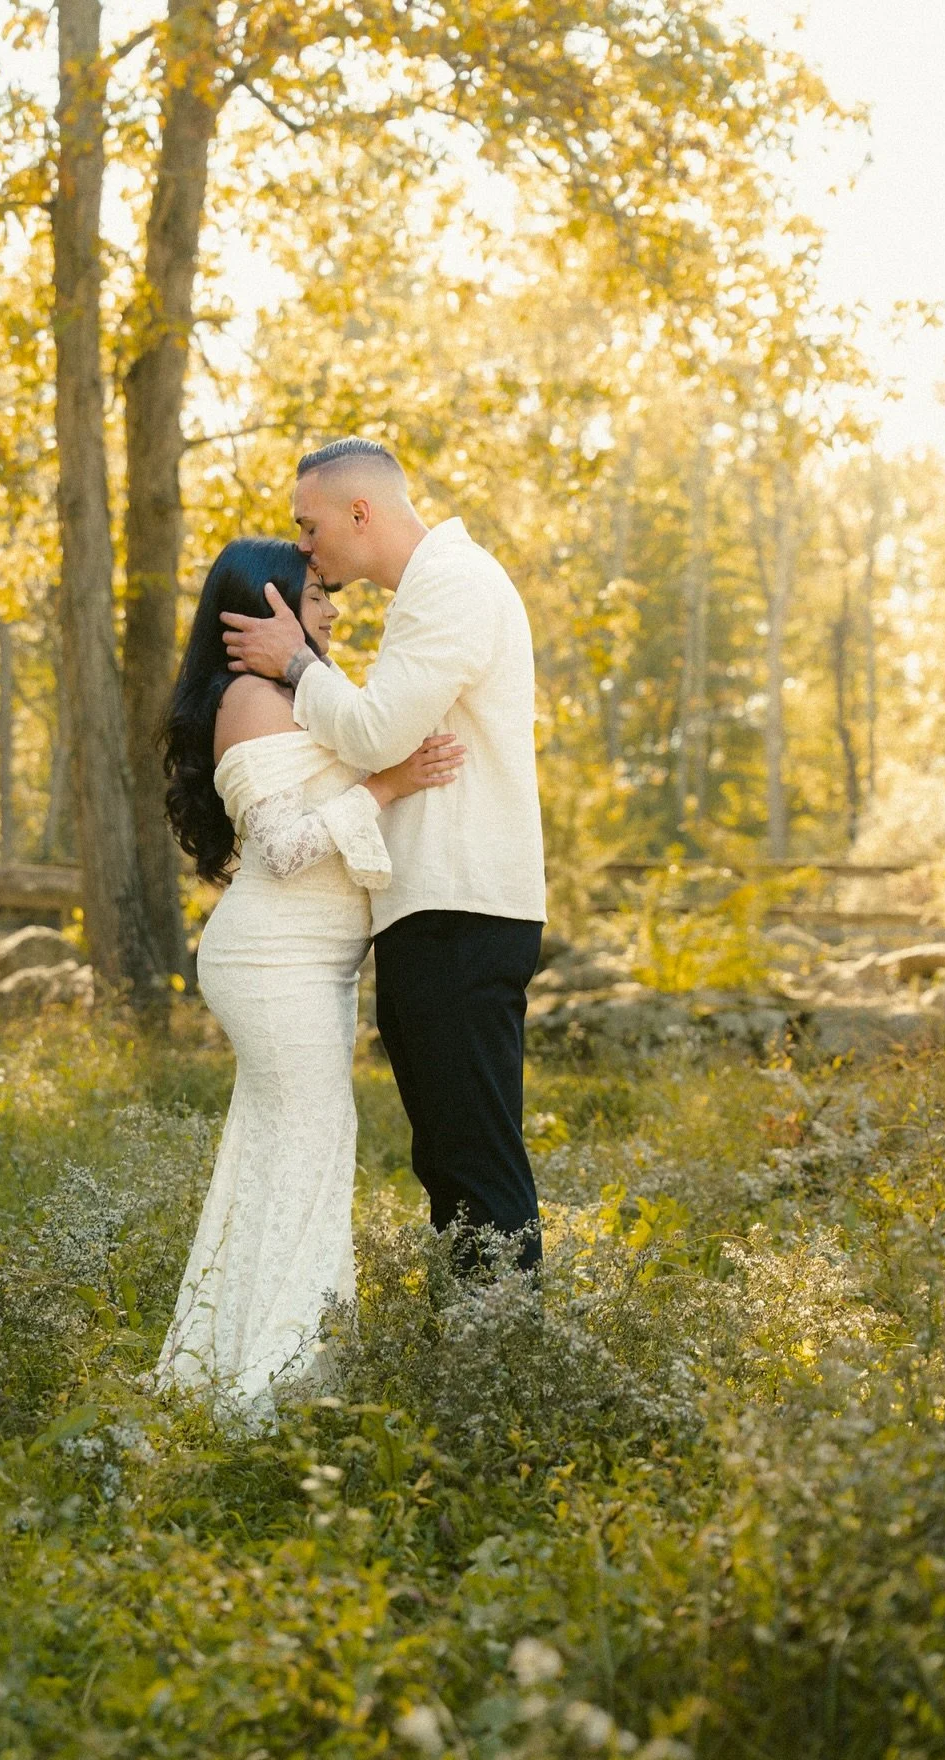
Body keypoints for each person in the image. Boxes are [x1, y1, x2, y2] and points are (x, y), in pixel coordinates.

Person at [155, 536, 463, 1415]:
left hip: (310, 965)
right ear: (269, 605)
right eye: (318, 595)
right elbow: (285, 849)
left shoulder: (293, 695)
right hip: (272, 960)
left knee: (279, 1151)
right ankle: (281, 1385)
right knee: (312, 1149)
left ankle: (233, 1361)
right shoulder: (251, 700)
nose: (331, 610)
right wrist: (390, 785)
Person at [223, 438, 547, 1273]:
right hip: (434, 910)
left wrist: (294, 662)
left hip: (462, 907)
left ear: (359, 513)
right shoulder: (430, 590)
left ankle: (506, 1362)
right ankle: (479, 1355)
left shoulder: (456, 584)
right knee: (448, 1163)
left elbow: (377, 733)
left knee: (475, 1163)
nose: (303, 545)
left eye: (310, 523)